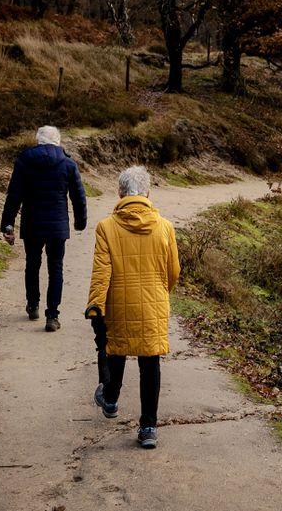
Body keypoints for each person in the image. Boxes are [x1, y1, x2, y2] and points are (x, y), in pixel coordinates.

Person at [86, 166, 180, 449]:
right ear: (148, 193)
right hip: (154, 302)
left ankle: (111, 398)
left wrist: (95, 305)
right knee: (150, 362)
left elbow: (101, 271)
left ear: (120, 193)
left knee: (116, 350)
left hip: (118, 302)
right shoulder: (165, 226)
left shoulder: (106, 227)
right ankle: (148, 427)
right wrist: (161, 292)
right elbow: (173, 270)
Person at [1, 125, 87, 332]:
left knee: (32, 263)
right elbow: (78, 196)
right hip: (57, 226)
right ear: (57, 141)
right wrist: (80, 222)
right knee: (55, 268)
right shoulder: (68, 164)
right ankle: (52, 315)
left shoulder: (24, 161)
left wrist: (8, 224)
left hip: (32, 224)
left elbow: (14, 195)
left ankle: (33, 305)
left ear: (38, 140)